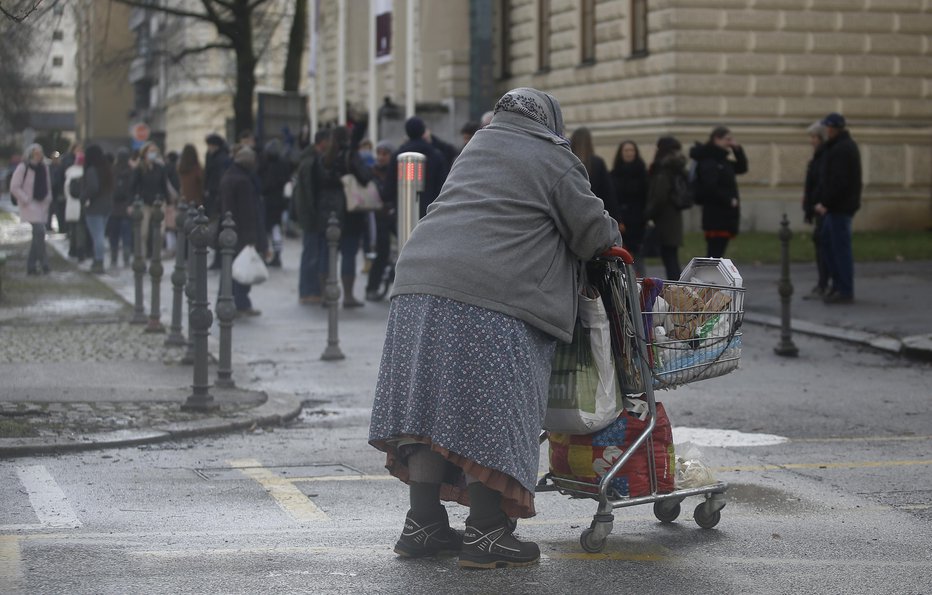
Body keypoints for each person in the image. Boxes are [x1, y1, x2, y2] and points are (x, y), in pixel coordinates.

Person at [368, 87, 622, 569]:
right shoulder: (554, 158)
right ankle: (485, 533)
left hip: (416, 287)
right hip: (491, 298)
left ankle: (422, 525)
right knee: (492, 413)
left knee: (428, 411)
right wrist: (613, 233)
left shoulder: (476, 148)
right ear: (550, 121)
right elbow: (593, 234)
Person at [310, 126, 371, 308]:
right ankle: (349, 296)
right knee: (349, 254)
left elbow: (313, 186)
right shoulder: (349, 156)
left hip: (326, 212)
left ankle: (326, 295)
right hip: (348, 211)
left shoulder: (321, 160)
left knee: (326, 254)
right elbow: (365, 177)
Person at [814, 112, 861, 305]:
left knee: (839, 249)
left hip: (838, 208)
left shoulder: (842, 149)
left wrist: (825, 203)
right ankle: (838, 285)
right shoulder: (838, 147)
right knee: (827, 243)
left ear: (831, 128)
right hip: (836, 207)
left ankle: (844, 289)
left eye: (827, 127)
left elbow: (838, 182)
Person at [220, 145, 267, 316]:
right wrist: (252, 237)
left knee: (230, 267)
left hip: (229, 228)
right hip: (242, 230)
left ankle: (226, 299)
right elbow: (248, 211)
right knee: (241, 269)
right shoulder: (243, 181)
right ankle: (241, 302)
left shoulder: (229, 176)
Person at [689, 126, 748, 258]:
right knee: (714, 253)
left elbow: (742, 168)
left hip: (724, 215)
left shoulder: (722, 160)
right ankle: (709, 278)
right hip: (716, 214)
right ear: (717, 139)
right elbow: (710, 187)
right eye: (728, 139)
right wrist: (729, 200)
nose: (730, 142)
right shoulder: (710, 160)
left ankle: (712, 278)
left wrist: (737, 150)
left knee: (717, 253)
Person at [294, 130, 330, 304]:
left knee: (311, 252)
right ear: (322, 142)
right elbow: (309, 191)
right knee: (311, 253)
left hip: (310, 216)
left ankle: (310, 290)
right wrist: (315, 212)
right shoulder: (310, 162)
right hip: (311, 217)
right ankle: (308, 291)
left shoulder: (310, 159)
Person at [385, 117, 447, 219]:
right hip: (430, 212)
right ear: (423, 131)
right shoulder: (436, 155)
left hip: (403, 211)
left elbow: (388, 189)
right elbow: (442, 186)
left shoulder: (399, 156)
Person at [646, 136, 688, 280]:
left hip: (665, 219)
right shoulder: (677, 167)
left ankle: (677, 290)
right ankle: (677, 287)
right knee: (671, 256)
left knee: (670, 258)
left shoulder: (663, 169)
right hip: (673, 218)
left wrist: (647, 213)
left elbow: (659, 195)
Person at [10, 143, 52, 275]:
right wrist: (25, 199)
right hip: (29, 204)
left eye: (40, 153)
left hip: (41, 203)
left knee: (37, 236)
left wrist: (48, 199)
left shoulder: (44, 168)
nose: (39, 156)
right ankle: (44, 263)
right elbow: (14, 187)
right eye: (36, 153)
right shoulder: (23, 167)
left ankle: (31, 266)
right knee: (39, 231)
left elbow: (48, 185)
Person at [610, 140, 649, 276]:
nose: (629, 153)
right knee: (621, 259)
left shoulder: (643, 174)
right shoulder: (614, 174)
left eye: (631, 150)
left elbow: (646, 197)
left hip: (638, 221)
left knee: (638, 259)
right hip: (620, 221)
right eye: (626, 150)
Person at [365, 140, 395, 301]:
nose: (381, 157)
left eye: (385, 154)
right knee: (381, 253)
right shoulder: (372, 173)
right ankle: (372, 286)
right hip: (378, 217)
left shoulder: (395, 171)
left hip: (394, 215)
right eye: (379, 154)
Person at [131, 141, 174, 258]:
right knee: (143, 232)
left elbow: (164, 185)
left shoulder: (160, 168)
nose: (153, 154)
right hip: (144, 203)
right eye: (151, 151)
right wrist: (133, 201)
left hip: (159, 203)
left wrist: (169, 203)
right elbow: (133, 186)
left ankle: (156, 255)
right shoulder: (139, 168)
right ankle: (142, 256)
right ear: (144, 153)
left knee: (159, 233)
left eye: (155, 152)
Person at [801, 122, 829, 300]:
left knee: (824, 248)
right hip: (817, 206)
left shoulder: (825, 156)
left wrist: (819, 202)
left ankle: (824, 284)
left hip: (822, 207)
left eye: (814, 137)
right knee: (820, 247)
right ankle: (822, 283)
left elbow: (822, 183)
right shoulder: (819, 156)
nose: (811, 141)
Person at [80, 145, 114, 274]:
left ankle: (99, 261)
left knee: (97, 236)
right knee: (100, 234)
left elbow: (93, 188)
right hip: (106, 205)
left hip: (95, 207)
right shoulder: (106, 169)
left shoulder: (91, 170)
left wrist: (83, 197)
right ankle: (97, 259)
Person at [259, 139, 293, 268]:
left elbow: (265, 184)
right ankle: (276, 255)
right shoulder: (283, 164)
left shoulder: (266, 165)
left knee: (269, 228)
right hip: (279, 200)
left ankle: (268, 254)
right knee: (275, 228)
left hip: (269, 201)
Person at [570, 127, 616, 217]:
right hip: (595, 213)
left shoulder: (567, 161)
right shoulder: (597, 162)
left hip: (571, 212)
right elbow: (608, 193)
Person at [109, 148, 135, 268]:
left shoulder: (112, 171)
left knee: (114, 236)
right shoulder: (131, 172)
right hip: (126, 207)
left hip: (114, 208)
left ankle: (113, 259)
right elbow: (133, 190)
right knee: (126, 236)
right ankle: (126, 259)